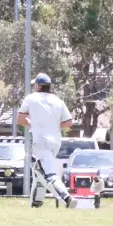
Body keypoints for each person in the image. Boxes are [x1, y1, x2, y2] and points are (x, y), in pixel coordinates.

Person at [18, 73, 77, 208]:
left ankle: (66, 198)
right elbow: (69, 122)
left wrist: (31, 124)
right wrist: (54, 126)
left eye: (35, 85)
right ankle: (36, 204)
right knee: (39, 171)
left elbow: (20, 119)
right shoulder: (58, 100)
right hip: (55, 142)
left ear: (38, 85)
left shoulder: (31, 98)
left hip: (41, 141)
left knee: (49, 175)